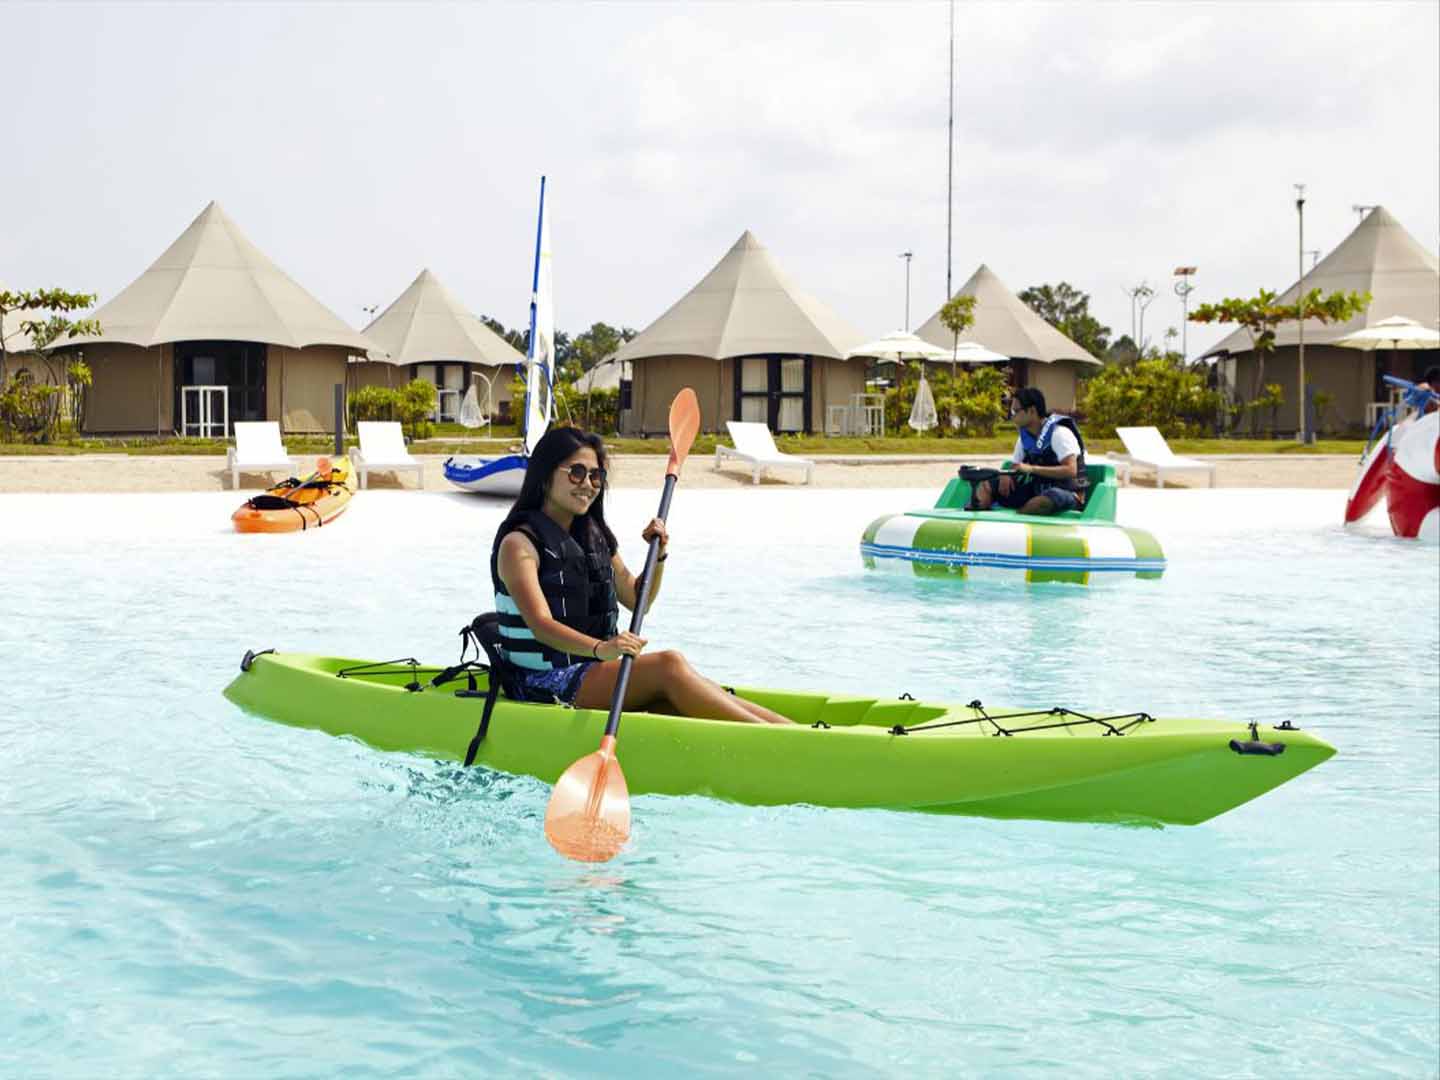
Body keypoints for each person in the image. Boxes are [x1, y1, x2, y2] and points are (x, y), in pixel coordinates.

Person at [490, 426, 792, 725]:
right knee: (668, 665)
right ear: (545, 475)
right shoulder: (519, 545)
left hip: (591, 670)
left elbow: (638, 600)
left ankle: (791, 731)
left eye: (596, 476)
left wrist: (658, 556)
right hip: (539, 681)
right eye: (576, 473)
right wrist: (602, 649)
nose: (588, 484)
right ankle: (787, 742)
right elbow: (541, 626)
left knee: (672, 702)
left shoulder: (592, 536)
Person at [972, 386, 1087, 515]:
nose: (1011, 416)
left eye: (1016, 411)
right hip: (1038, 490)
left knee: (1042, 502)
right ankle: (977, 520)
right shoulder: (1024, 438)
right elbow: (1015, 466)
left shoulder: (1059, 433)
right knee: (987, 484)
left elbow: (1071, 470)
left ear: (1032, 411)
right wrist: (1006, 475)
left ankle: (1016, 525)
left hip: (1067, 493)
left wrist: (1032, 469)